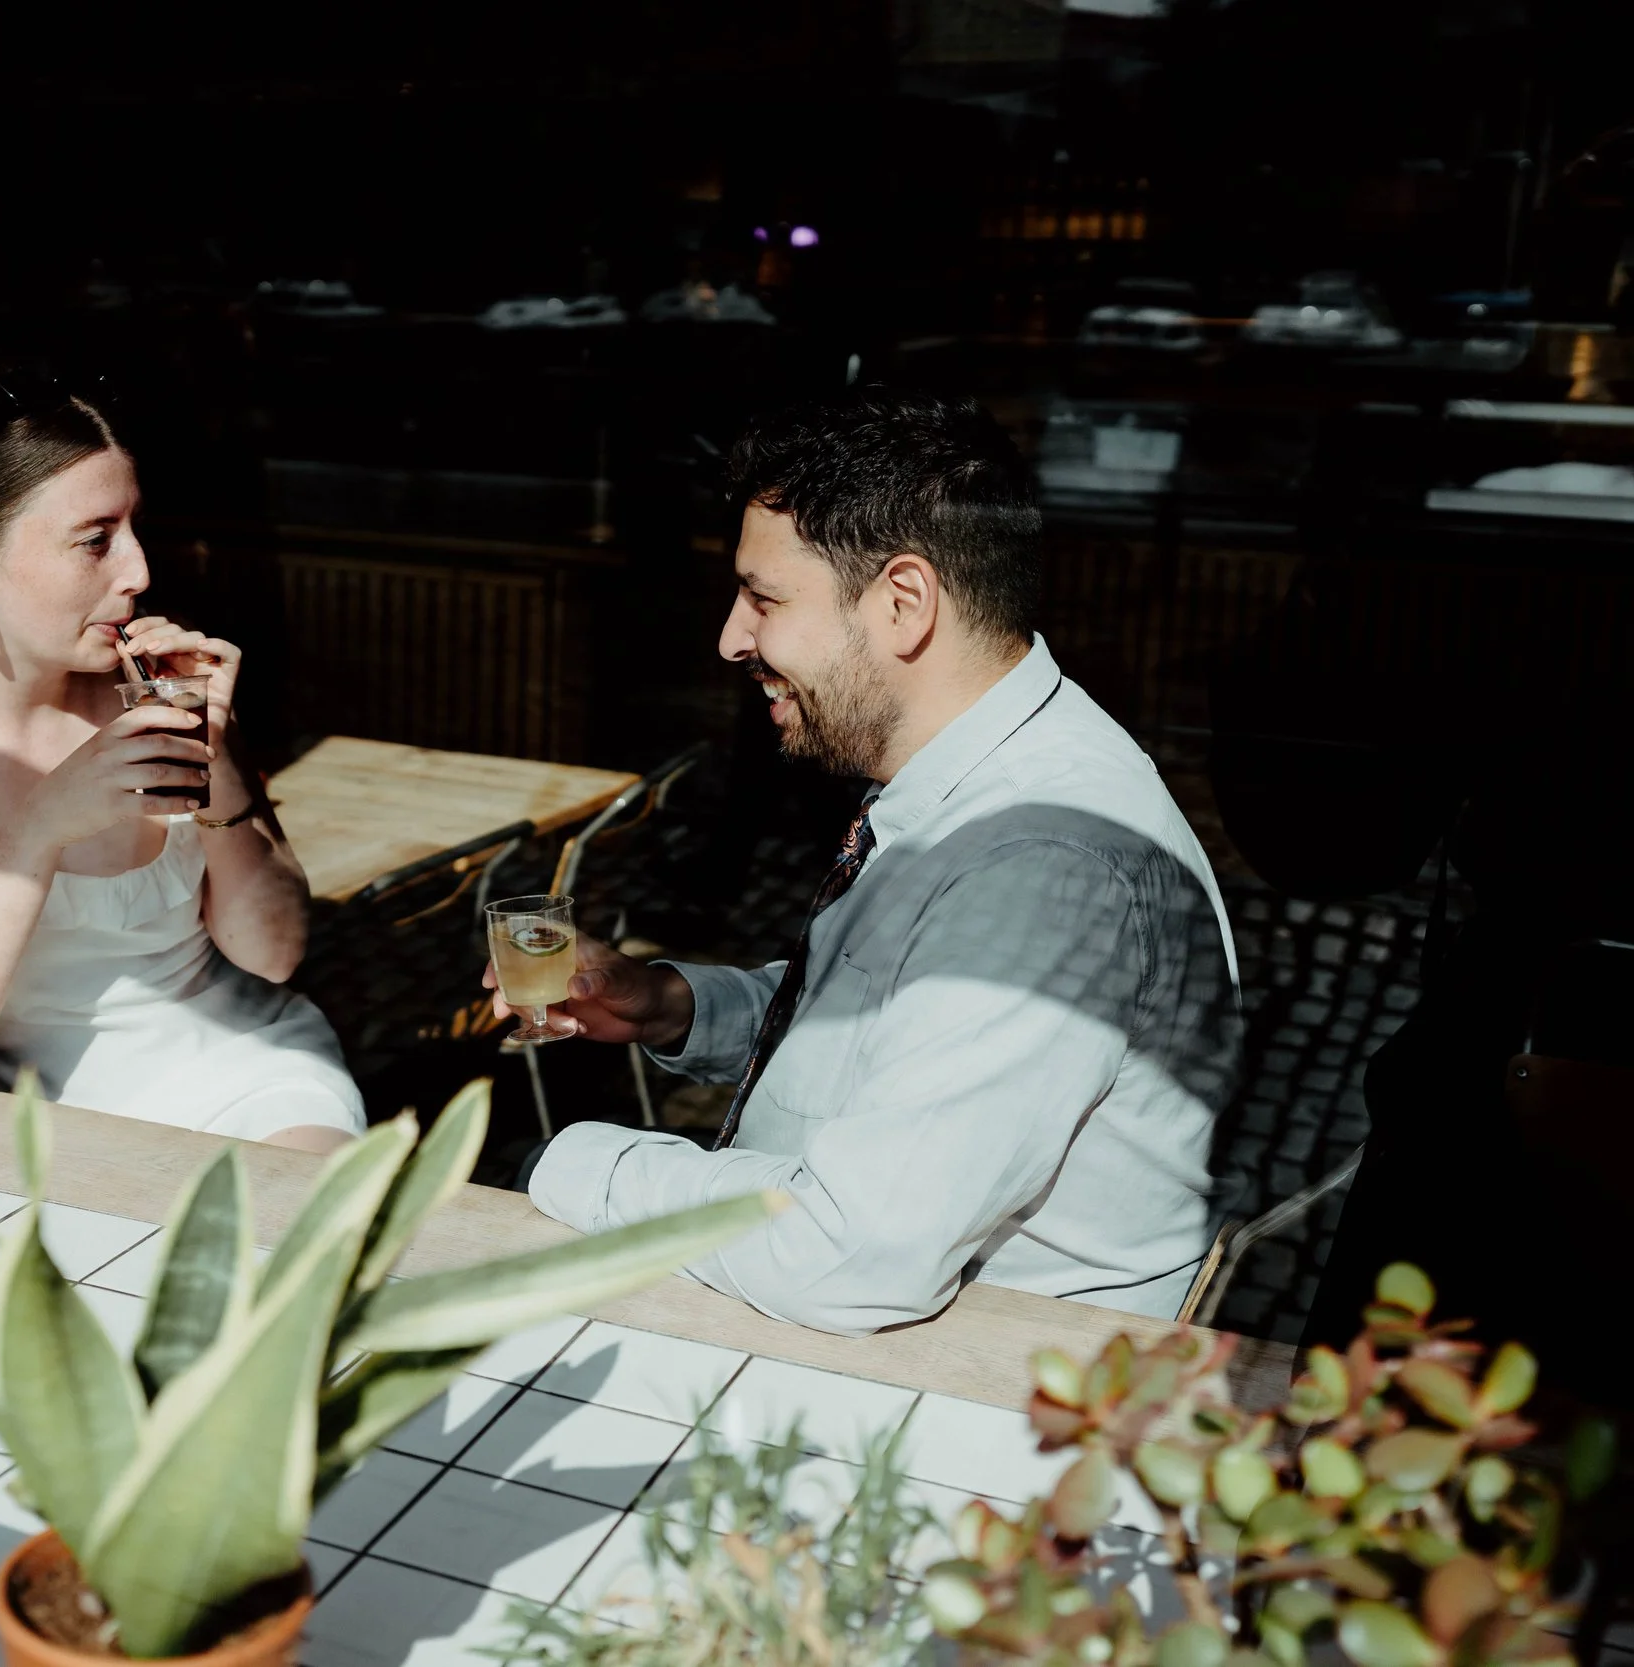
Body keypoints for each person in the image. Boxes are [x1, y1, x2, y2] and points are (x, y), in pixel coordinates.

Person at [507, 390, 1241, 1332]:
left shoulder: (1042, 869)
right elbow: (893, 1023)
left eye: (764, 597)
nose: (731, 637)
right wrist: (674, 1003)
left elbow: (848, 1256)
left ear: (903, 602)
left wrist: (554, 1164)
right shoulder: (979, 769)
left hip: (978, 1399)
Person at [0, 366, 364, 1151]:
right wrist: (40, 827)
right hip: (19, 1127)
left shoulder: (151, 681)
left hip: (249, 1081)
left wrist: (213, 752)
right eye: (95, 540)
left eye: (133, 528)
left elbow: (273, 954)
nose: (138, 571)